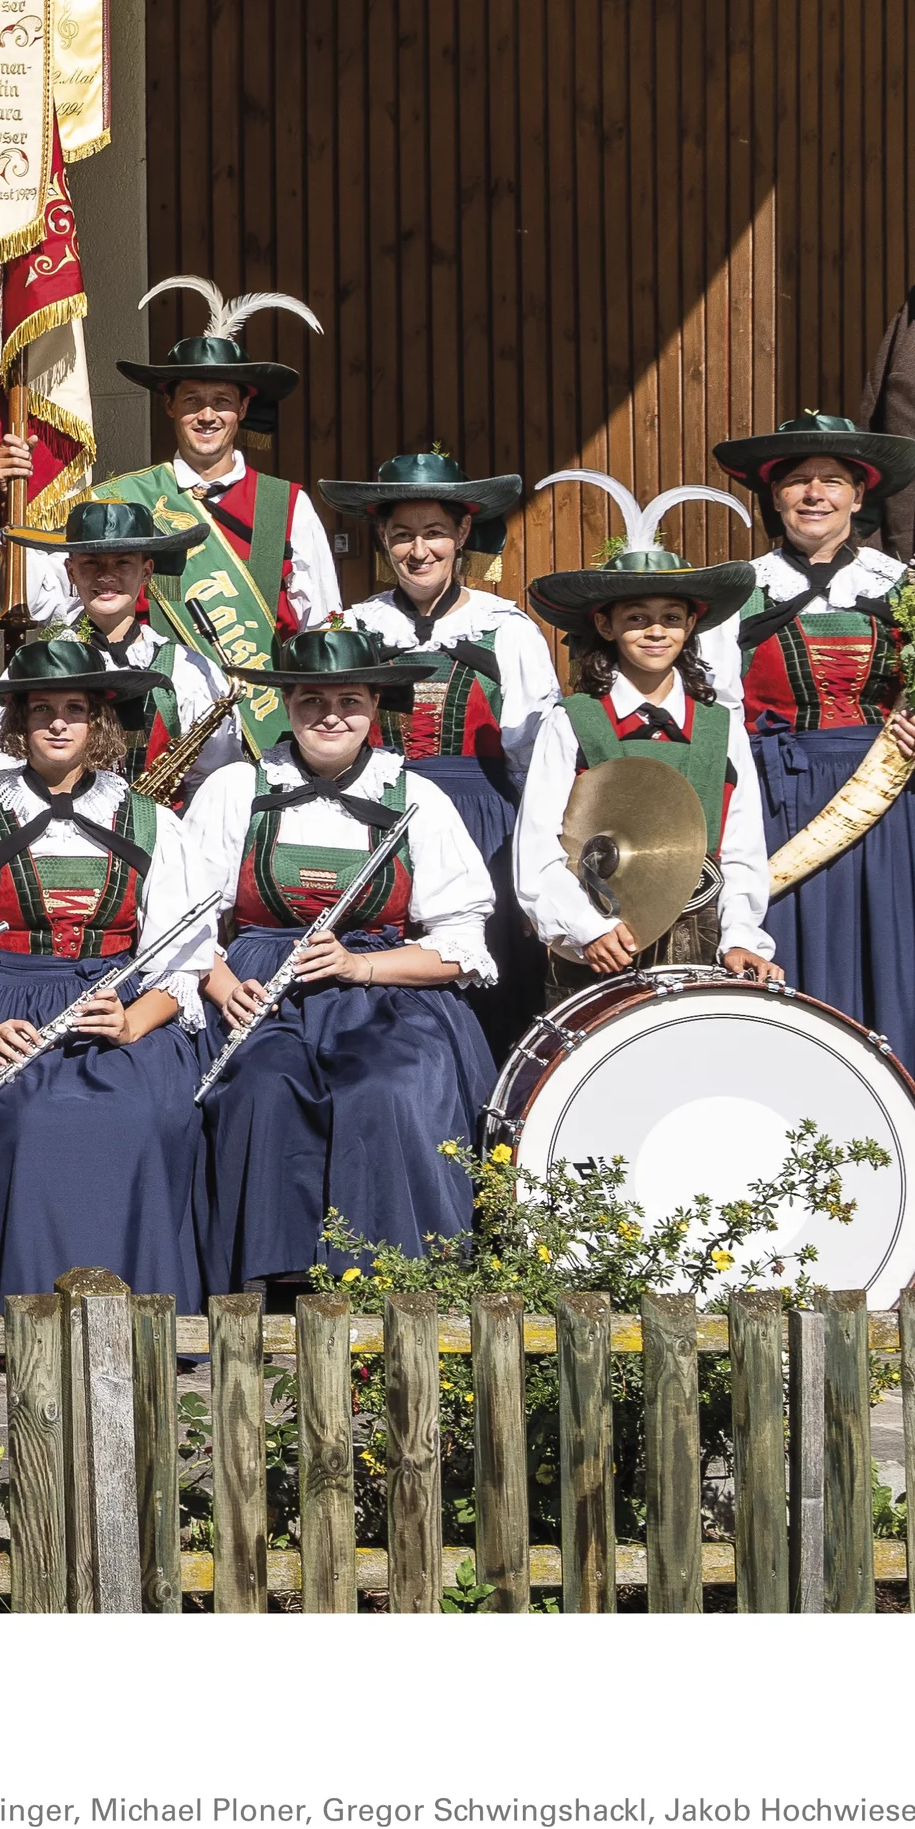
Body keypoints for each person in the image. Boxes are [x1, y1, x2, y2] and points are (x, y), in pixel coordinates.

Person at [706, 408, 915, 1218]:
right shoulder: (734, 594)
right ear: (772, 494)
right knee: (802, 984)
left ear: (859, 492)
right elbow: (719, 718)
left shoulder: (914, 593)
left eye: (832, 478)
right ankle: (792, 1197)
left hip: (897, 811)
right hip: (783, 801)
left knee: (904, 984)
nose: (814, 493)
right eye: (797, 478)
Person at [185, 625, 500, 1293]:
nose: (331, 715)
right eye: (311, 700)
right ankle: (272, 1281)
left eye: (349, 699)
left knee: (386, 1088)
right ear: (288, 705)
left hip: (387, 995)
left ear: (374, 706)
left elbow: (463, 942)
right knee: (261, 1088)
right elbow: (183, 923)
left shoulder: (416, 797)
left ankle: (394, 1282)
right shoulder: (235, 788)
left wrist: (362, 968)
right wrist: (218, 982)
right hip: (259, 987)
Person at [0, 634, 212, 1308]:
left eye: (75, 708)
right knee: (33, 1118)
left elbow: (181, 953)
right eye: (41, 709)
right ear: (17, 723)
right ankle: (32, 1311)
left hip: (122, 1006)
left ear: (99, 722)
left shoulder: (152, 822)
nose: (58, 722)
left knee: (140, 1114)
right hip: (8, 1003)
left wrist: (132, 1019)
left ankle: (143, 1313)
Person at [9, 278, 340, 752]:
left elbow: (321, 628)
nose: (207, 415)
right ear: (169, 405)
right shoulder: (122, 499)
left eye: (222, 401)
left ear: (243, 408)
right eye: (192, 401)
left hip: (269, 729)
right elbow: (41, 601)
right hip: (151, 726)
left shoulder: (287, 504)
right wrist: (5, 494)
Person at [322, 448, 559, 1047]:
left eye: (434, 532)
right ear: (381, 539)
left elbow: (535, 759)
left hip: (486, 825)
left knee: (493, 981)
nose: (418, 550)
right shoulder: (353, 628)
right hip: (379, 822)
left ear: (461, 534)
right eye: (401, 535)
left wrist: (541, 865)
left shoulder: (508, 630)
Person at [514, 502, 779, 985]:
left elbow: (742, 847)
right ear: (605, 626)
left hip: (702, 940)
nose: (656, 631)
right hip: (598, 944)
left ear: (691, 625)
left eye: (671, 617)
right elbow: (537, 849)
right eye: (637, 617)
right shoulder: (572, 722)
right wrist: (587, 928)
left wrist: (741, 936)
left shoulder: (721, 726)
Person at [2, 494, 240, 803]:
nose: (106, 576)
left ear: (147, 570)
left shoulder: (188, 670)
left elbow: (217, 786)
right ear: (71, 571)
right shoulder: (38, 665)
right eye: (91, 563)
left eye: (123, 562)